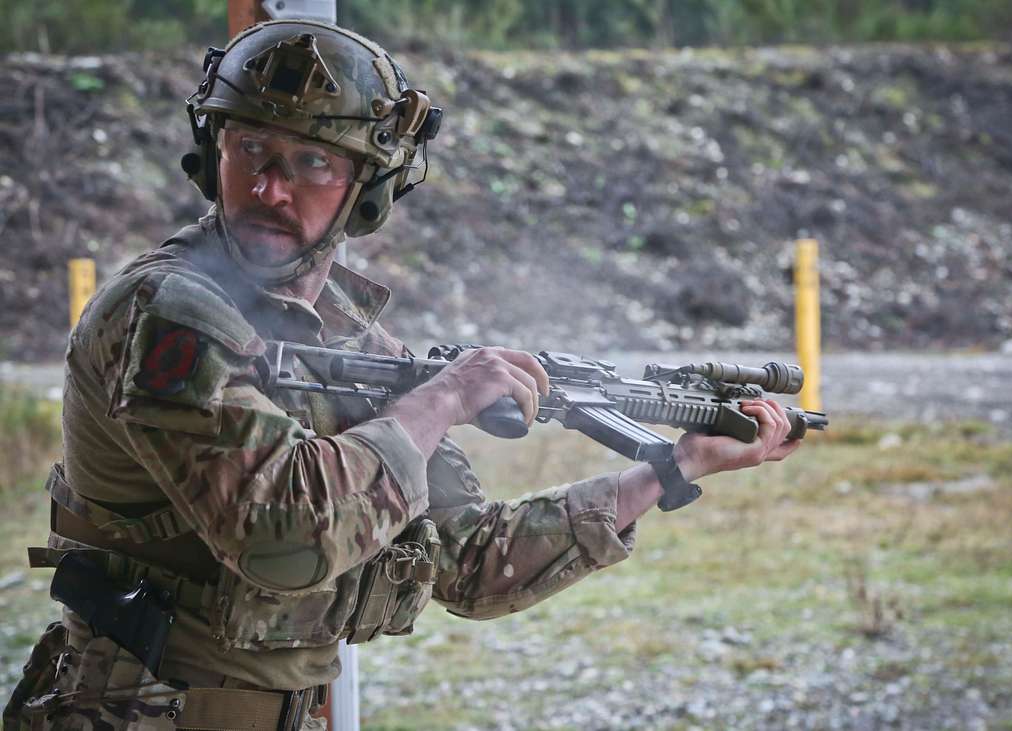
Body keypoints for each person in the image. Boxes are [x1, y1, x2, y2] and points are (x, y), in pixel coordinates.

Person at [3, 20, 801, 731]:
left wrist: (672, 467)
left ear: (368, 189)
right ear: (211, 152)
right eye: (248, 149)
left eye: (312, 161)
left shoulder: (348, 331)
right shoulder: (166, 312)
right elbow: (284, 539)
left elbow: (474, 562)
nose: (270, 187)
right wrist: (442, 402)